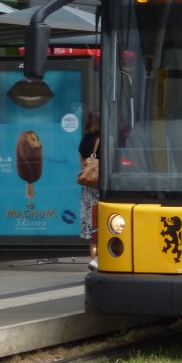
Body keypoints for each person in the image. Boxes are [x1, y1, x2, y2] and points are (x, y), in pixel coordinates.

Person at [78, 110, 100, 266]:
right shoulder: (102, 140)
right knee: (101, 222)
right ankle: (101, 257)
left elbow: (83, 166)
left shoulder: (83, 141)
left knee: (91, 224)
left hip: (87, 190)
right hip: (100, 188)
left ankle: (93, 257)